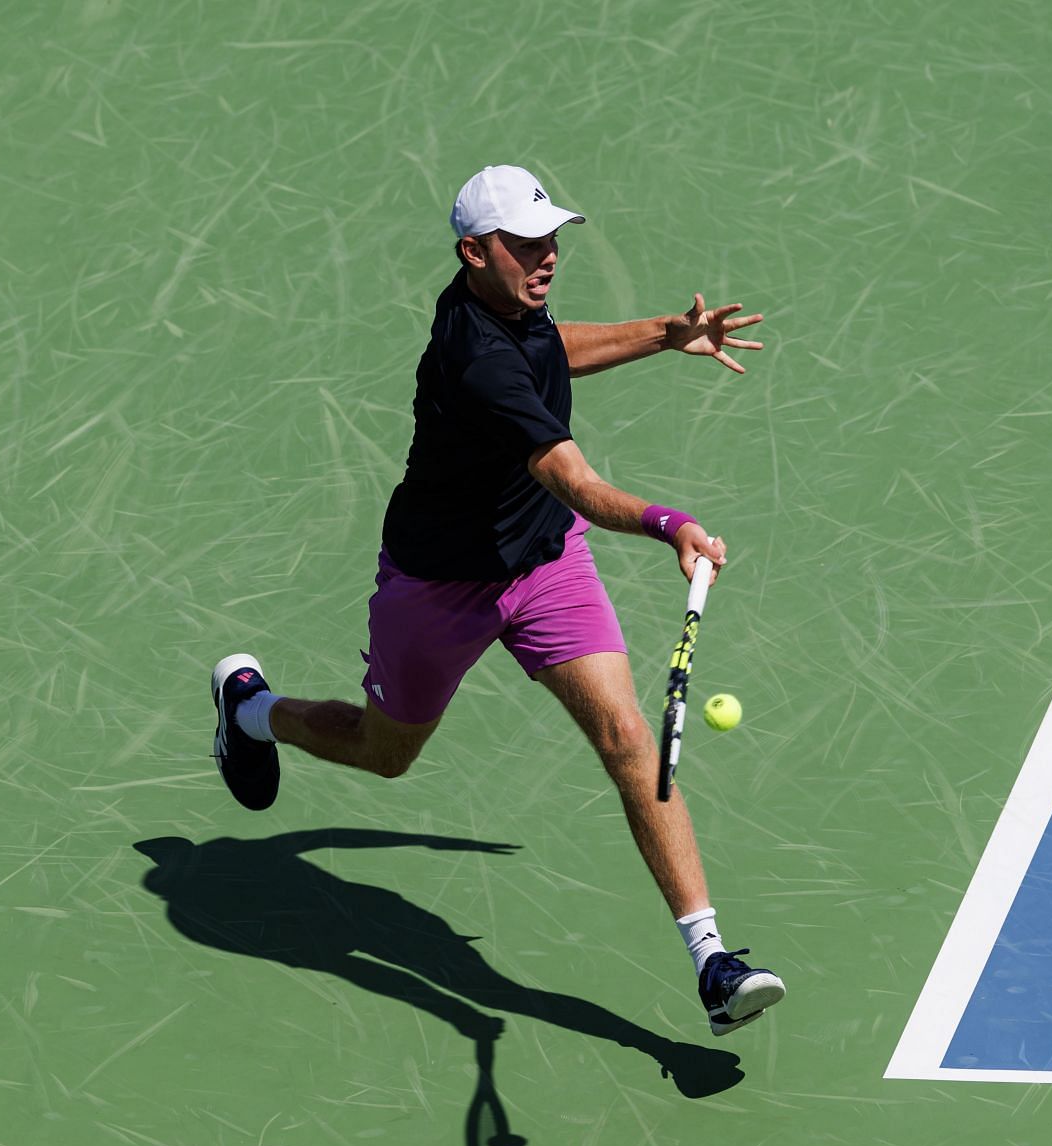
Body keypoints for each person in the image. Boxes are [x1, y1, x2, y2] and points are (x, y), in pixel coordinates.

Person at [210, 164, 785, 1037]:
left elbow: (557, 351)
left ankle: (712, 962)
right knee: (384, 753)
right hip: (439, 586)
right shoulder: (474, 360)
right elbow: (578, 483)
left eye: (551, 237)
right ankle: (251, 711)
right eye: (524, 244)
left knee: (629, 737)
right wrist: (670, 522)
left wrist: (666, 333)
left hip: (544, 562)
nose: (547, 256)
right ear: (474, 252)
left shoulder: (511, 307)